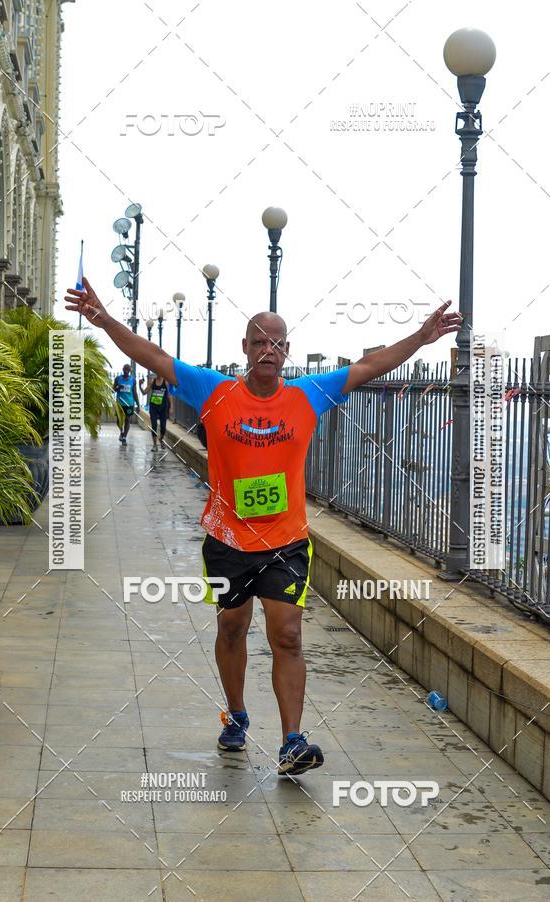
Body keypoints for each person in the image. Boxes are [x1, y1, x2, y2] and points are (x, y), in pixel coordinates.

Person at [65, 277, 461, 775]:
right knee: (232, 627)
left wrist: (420, 339)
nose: (268, 350)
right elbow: (153, 356)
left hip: (286, 542)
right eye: (259, 342)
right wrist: (102, 318)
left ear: (286, 350)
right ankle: (236, 715)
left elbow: (370, 367)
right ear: (245, 349)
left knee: (288, 634)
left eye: (277, 343)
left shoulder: (307, 395)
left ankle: (292, 741)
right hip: (227, 539)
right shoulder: (213, 390)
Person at [140, 372, 170, 451]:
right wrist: (140, 386)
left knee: (163, 427)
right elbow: (144, 393)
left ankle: (161, 439)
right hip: (153, 407)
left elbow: (170, 395)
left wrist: (172, 408)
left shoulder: (166, 382)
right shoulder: (152, 382)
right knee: (154, 425)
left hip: (163, 407)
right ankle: (154, 445)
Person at [113, 364, 140, 445]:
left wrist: (138, 405)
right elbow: (113, 390)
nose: (126, 372)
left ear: (130, 371)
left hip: (129, 403)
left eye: (128, 371)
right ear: (122, 370)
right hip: (120, 403)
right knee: (119, 420)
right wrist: (118, 388)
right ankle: (121, 432)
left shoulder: (133, 380)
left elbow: (135, 393)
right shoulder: (118, 379)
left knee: (127, 420)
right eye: (125, 370)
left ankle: (124, 437)